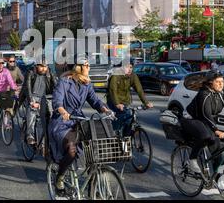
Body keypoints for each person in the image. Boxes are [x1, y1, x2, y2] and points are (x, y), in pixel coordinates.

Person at [49, 56, 112, 191]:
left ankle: (92, 182)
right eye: (87, 65)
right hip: (62, 121)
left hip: (79, 120)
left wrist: (105, 109)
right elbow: (57, 101)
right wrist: (62, 111)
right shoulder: (64, 82)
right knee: (71, 150)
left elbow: (94, 100)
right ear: (79, 67)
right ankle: (60, 176)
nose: (89, 68)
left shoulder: (87, 83)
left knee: (93, 147)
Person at [107, 62, 153, 137]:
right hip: (113, 100)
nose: (129, 69)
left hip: (126, 100)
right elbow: (113, 91)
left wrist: (146, 102)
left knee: (129, 117)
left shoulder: (133, 76)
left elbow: (139, 90)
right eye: (127, 67)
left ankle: (125, 138)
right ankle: (114, 131)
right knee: (123, 113)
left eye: (131, 67)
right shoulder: (115, 76)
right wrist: (117, 103)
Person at [23, 58, 57, 146]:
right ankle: (30, 135)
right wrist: (31, 101)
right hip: (33, 97)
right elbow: (27, 88)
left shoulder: (50, 73)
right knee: (32, 113)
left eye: (45, 66)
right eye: (41, 66)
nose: (44, 69)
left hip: (45, 98)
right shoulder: (30, 72)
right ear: (36, 66)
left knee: (53, 115)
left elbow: (56, 86)